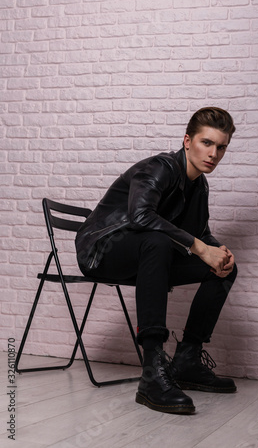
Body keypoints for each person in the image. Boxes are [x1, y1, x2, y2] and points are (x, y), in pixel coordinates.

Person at [75, 107, 237, 414]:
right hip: (102, 251)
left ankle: (187, 360)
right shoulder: (161, 167)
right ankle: (152, 372)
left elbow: (200, 233)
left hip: (149, 255)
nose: (214, 153)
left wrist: (219, 252)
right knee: (158, 240)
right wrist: (202, 248)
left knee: (224, 269)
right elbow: (140, 217)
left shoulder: (199, 186)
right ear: (187, 141)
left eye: (221, 147)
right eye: (207, 143)